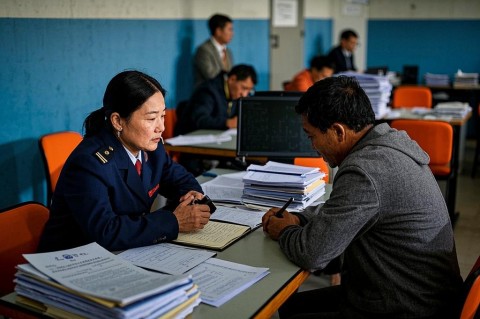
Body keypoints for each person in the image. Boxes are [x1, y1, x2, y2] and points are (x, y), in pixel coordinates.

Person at [262, 76, 463, 318]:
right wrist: (299, 218)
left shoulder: (365, 169)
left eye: (311, 135)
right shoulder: (386, 144)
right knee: (287, 306)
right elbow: (345, 209)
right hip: (415, 294)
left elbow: (312, 254)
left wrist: (283, 231)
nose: (312, 146)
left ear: (338, 131)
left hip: (407, 306)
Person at [38, 70, 212, 253]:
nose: (161, 127)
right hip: (74, 260)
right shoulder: (89, 163)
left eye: (162, 116)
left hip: (124, 251)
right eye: (152, 118)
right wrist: (174, 221)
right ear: (118, 121)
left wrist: (191, 195)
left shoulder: (151, 147)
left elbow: (180, 178)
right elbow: (105, 231)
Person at [175, 64, 257, 136]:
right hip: (191, 143)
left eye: (249, 91)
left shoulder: (234, 93)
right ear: (232, 79)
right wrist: (227, 123)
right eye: (244, 88)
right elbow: (200, 119)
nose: (244, 94)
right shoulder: (208, 90)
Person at [194, 13, 234, 87]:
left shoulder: (228, 52)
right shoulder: (203, 50)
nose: (232, 33)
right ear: (218, 31)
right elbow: (211, 76)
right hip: (207, 95)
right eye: (229, 30)